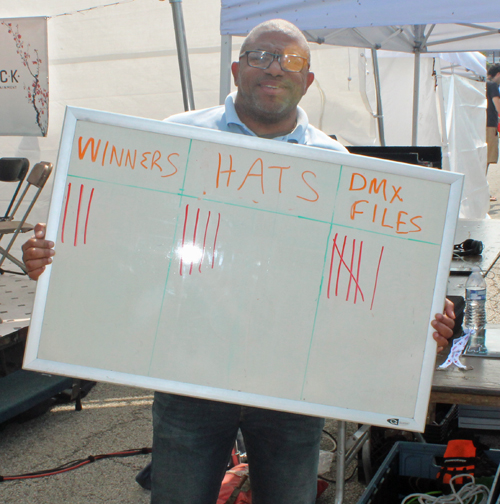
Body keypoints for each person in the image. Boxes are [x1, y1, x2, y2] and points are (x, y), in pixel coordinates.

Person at [22, 19, 455, 504]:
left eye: (290, 60)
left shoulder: (337, 163)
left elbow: (359, 283)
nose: (274, 68)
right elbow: (121, 241)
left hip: (291, 386)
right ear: (236, 69)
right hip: (188, 373)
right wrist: (54, 260)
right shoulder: (173, 138)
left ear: (308, 81)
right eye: (260, 56)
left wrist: (420, 320)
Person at [486, 64, 500, 201]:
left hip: (478, 124)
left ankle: (481, 188)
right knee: (486, 159)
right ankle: (483, 190)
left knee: (481, 158)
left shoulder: (481, 82)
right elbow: (498, 105)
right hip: (490, 125)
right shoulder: (493, 86)